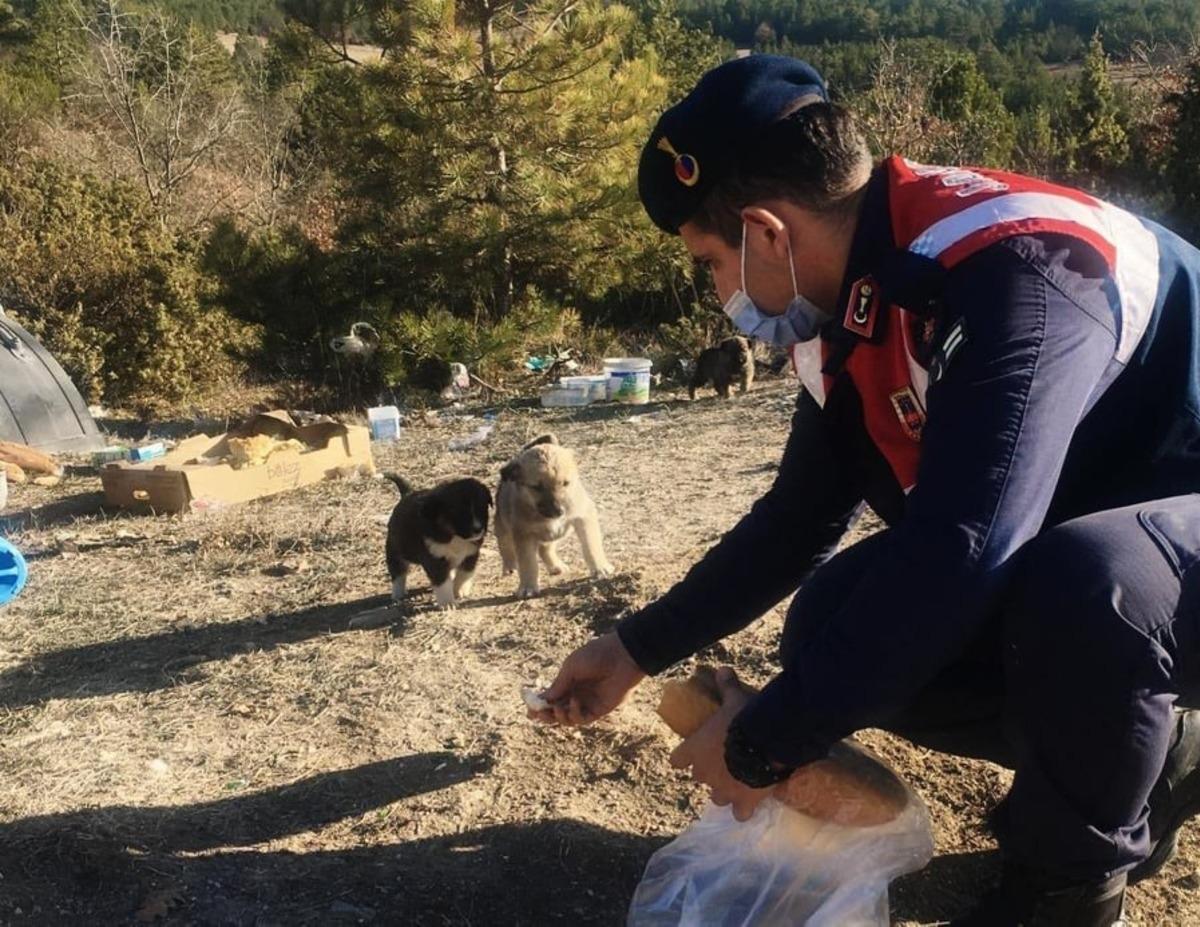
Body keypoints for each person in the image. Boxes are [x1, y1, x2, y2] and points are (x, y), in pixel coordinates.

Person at [527, 55, 1200, 926]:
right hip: (1134, 527)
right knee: (834, 618)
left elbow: (967, 547)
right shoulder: (855, 300)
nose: (718, 293)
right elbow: (798, 520)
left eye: (708, 264)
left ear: (767, 233)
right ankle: (1159, 752)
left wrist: (761, 745)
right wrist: (633, 647)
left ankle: (1067, 887)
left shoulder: (1021, 270)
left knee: (1089, 584)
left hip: (1158, 539)